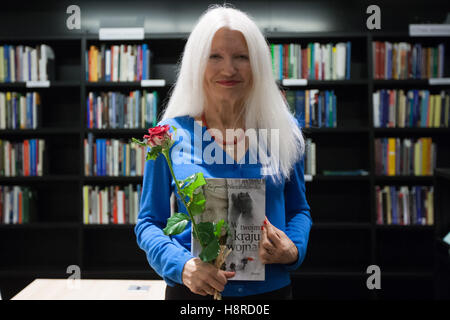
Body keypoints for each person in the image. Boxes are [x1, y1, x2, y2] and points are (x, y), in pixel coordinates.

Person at [135, 5, 312, 300]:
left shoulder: (282, 130)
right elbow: (148, 222)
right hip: (193, 295)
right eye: (214, 56)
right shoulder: (169, 135)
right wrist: (182, 266)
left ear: (257, 64)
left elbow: (299, 210)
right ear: (196, 63)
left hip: (269, 295)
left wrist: (293, 249)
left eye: (241, 57)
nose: (228, 69)